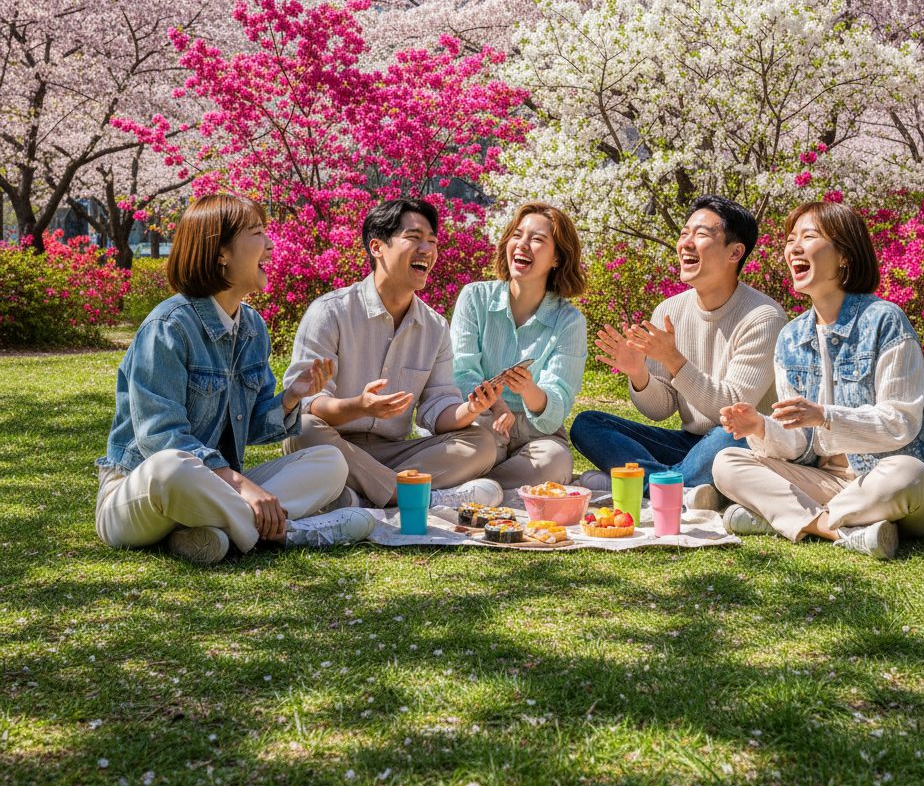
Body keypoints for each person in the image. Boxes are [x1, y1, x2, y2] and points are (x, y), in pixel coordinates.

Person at [96, 194, 375, 566]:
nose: (271, 244)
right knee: (172, 466)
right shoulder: (167, 328)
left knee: (330, 460)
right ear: (221, 253)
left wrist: (291, 397)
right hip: (141, 493)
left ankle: (210, 534)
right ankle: (294, 533)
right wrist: (242, 485)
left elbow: (252, 424)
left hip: (214, 490)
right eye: (258, 233)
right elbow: (160, 439)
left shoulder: (253, 328)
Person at [715, 200, 924, 559]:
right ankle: (835, 529)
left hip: (888, 483)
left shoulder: (885, 321)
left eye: (808, 236)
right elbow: (800, 445)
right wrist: (761, 427)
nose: (793, 247)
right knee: (728, 462)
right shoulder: (791, 337)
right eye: (790, 239)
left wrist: (825, 415)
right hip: (827, 484)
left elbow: (900, 422)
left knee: (908, 473)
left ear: (844, 255)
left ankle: (779, 517)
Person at [282, 198, 504, 509]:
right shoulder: (330, 313)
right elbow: (307, 403)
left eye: (432, 241)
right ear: (377, 247)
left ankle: (359, 495)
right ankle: (403, 495)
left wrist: (471, 409)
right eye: (413, 238)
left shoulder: (435, 327)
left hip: (394, 453)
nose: (426, 249)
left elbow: (437, 408)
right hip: (334, 444)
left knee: (481, 442)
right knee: (303, 430)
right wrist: (359, 406)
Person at [570, 195, 787, 511]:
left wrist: (675, 360)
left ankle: (643, 484)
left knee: (732, 435)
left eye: (700, 234)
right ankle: (681, 485)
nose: (685, 243)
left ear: (735, 252)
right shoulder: (670, 310)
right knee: (589, 424)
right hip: (691, 444)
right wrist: (639, 374)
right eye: (684, 233)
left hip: (741, 443)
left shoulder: (764, 316)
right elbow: (661, 409)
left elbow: (733, 409)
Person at [450, 202, 588, 490]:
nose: (522, 244)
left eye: (537, 239)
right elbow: (461, 372)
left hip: (537, 433)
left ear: (558, 259)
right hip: (482, 421)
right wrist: (497, 405)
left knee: (556, 461)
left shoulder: (570, 321)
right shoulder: (474, 297)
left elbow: (556, 406)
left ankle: (474, 488)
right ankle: (483, 486)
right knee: (476, 448)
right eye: (517, 234)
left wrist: (528, 388)